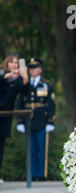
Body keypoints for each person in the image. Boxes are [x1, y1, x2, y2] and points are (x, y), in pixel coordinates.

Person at [16, 58, 55, 181]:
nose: (33, 70)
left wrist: (50, 121)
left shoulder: (46, 85)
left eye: (35, 68)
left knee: (42, 149)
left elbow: (51, 104)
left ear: (40, 69)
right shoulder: (25, 85)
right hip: (28, 121)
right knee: (30, 149)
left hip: (42, 121)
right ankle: (32, 174)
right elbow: (20, 103)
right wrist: (20, 121)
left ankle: (41, 174)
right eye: (31, 68)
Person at [0, 54, 29, 184]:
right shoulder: (1, 74)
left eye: (17, 63)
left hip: (5, 117)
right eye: (12, 62)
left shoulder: (17, 79)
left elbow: (24, 92)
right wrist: (5, 77)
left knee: (1, 146)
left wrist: (25, 76)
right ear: (7, 64)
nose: (14, 64)